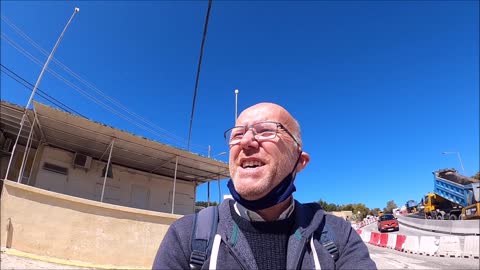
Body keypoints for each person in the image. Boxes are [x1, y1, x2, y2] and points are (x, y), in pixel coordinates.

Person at [153, 102, 377, 270]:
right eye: (237, 134)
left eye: (266, 130)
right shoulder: (185, 236)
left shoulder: (336, 235)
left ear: (300, 161)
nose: (245, 142)